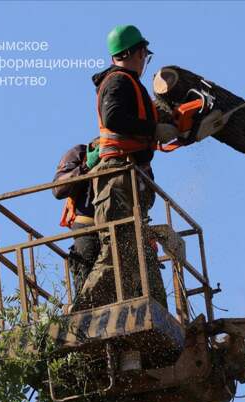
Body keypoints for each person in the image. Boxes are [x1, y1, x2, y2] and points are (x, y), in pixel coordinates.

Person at [78, 25, 178, 310]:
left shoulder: (131, 86)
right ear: (138, 52)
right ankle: (79, 318)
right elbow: (114, 118)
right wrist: (153, 129)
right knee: (116, 253)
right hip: (116, 178)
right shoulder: (118, 81)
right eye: (144, 53)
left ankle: (156, 307)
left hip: (130, 177)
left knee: (141, 253)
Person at [52, 140, 101, 305]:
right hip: (87, 228)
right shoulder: (82, 152)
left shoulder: (129, 154)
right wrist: (86, 167)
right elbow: (58, 189)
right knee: (86, 288)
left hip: (117, 229)